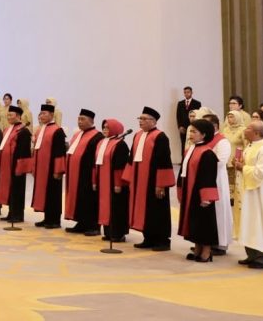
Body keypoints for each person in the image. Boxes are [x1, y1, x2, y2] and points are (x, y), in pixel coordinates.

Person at [123, 106, 175, 251]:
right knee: (145, 211)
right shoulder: (137, 135)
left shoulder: (160, 137)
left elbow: (164, 161)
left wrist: (161, 184)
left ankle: (163, 241)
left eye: (144, 119)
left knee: (157, 210)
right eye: (140, 118)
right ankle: (149, 238)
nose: (140, 121)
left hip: (154, 182)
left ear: (153, 121)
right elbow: (131, 158)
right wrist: (128, 178)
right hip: (139, 181)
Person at [235, 120, 263, 268]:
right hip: (250, 192)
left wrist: (243, 168)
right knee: (250, 222)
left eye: (248, 128)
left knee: (261, 223)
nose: (245, 129)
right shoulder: (249, 147)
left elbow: (262, 173)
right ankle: (252, 255)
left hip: (262, 194)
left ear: (256, 133)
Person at [177, 119, 220, 263]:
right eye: (190, 131)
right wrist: (180, 188)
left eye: (194, 131)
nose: (190, 134)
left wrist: (206, 197)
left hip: (201, 194)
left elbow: (209, 177)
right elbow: (182, 172)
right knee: (194, 221)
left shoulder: (207, 153)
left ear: (204, 135)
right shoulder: (191, 150)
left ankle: (206, 251)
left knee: (204, 222)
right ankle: (197, 248)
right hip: (191, 191)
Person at [197, 111, 233, 256]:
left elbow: (221, 161)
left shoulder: (222, 141)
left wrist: (200, 164)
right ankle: (205, 241)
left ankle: (220, 244)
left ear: (215, 126)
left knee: (219, 211)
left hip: (216, 180)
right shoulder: (204, 140)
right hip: (204, 180)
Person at [64, 108, 103, 235]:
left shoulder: (98, 136)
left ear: (91, 121)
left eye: (83, 119)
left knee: (90, 200)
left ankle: (94, 226)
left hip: (88, 174)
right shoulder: (77, 135)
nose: (79, 122)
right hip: (76, 174)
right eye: (78, 119)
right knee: (79, 199)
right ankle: (81, 223)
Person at [30, 104, 65, 229]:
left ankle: (55, 220)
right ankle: (47, 218)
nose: (41, 116)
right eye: (40, 113)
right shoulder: (40, 130)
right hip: (41, 169)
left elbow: (60, 152)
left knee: (53, 194)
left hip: (52, 169)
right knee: (45, 194)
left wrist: (58, 170)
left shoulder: (57, 130)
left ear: (52, 115)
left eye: (44, 113)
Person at [0, 105, 33, 223]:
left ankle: (18, 215)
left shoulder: (23, 131)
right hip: (7, 166)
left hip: (17, 165)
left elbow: (24, 152)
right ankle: (11, 212)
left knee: (17, 190)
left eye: (10, 115)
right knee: (10, 189)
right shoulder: (8, 129)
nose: (8, 117)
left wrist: (20, 167)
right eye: (7, 115)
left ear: (18, 116)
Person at [94, 118, 129, 242]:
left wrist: (118, 183)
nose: (104, 130)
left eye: (107, 128)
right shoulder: (101, 143)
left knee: (117, 207)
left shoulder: (120, 144)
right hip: (103, 181)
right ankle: (108, 232)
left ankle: (118, 234)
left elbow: (120, 166)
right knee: (105, 207)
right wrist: (95, 181)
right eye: (103, 127)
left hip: (115, 183)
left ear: (115, 129)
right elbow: (96, 163)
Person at [223, 109, 250, 237]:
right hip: (226, 162)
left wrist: (241, 160)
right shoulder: (225, 130)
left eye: (232, 117)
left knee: (237, 189)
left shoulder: (243, 130)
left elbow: (246, 146)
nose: (230, 119)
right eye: (228, 117)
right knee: (228, 188)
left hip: (237, 162)